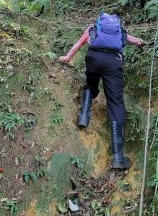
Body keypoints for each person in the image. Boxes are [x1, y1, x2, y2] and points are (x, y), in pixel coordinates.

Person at [58, 12, 143, 170]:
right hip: (113, 63)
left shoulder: (92, 29)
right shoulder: (119, 31)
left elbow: (78, 44)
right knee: (116, 102)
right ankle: (118, 159)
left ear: (99, 22)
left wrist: (67, 57)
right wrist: (140, 42)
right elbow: (133, 40)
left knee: (90, 84)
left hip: (93, 59)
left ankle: (83, 117)